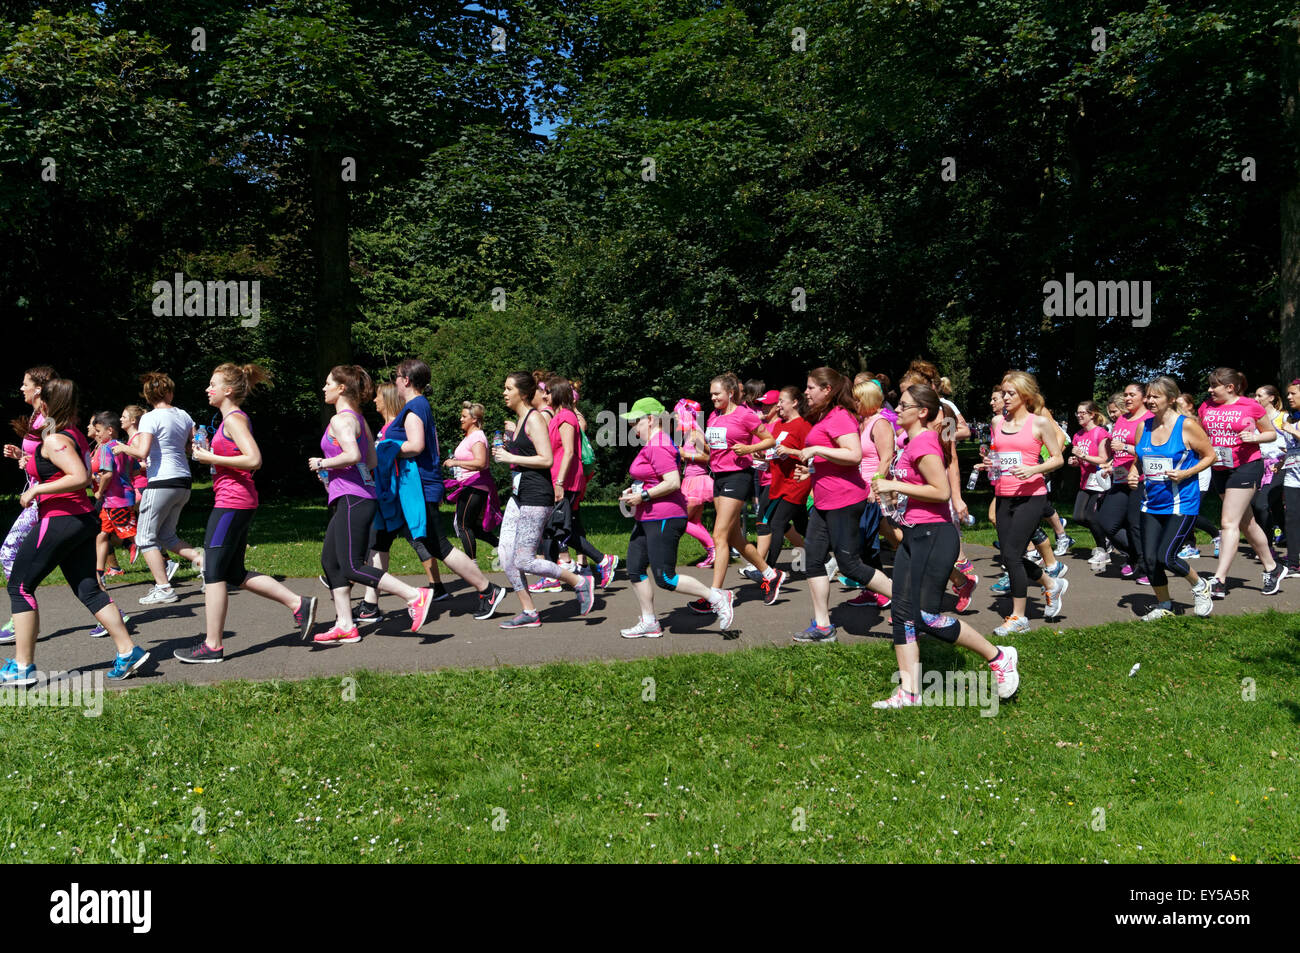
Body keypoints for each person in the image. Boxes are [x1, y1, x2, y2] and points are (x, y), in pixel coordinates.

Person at [869, 384, 1019, 707]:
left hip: (935, 537)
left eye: (904, 405)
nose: (897, 410)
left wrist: (892, 484)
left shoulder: (923, 442)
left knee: (924, 615)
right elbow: (917, 487)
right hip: (914, 535)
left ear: (922, 412)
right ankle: (908, 692)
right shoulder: (910, 442)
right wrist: (893, 492)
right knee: (902, 612)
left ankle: (998, 656)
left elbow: (940, 492)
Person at [2, 379, 149, 684]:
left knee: (19, 587)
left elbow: (80, 476)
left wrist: (36, 490)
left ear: (48, 402)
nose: (32, 399)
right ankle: (128, 651)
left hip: (60, 519)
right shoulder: (73, 434)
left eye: (39, 396)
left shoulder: (56, 439)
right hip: (81, 520)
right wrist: (27, 463)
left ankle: (22, 666)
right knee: (89, 589)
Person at [173, 364, 319, 662]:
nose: (207, 389)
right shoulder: (229, 419)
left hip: (232, 503)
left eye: (212, 384)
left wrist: (209, 456)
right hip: (236, 501)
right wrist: (204, 454)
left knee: (213, 571)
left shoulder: (235, 419)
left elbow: (254, 459)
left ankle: (212, 645)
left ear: (228, 390)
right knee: (233, 572)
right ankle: (298, 602)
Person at [375, 359, 503, 613]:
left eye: (396, 376)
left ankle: (488, 589)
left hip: (420, 485)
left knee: (438, 545)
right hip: (414, 485)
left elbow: (416, 445)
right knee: (387, 539)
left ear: (407, 380)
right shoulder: (417, 405)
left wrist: (385, 448)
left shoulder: (414, 406)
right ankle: (370, 603)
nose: (395, 381)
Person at [778, 367, 893, 642]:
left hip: (845, 501)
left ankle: (907, 601)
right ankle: (822, 625)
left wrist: (816, 450)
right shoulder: (823, 417)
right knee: (814, 561)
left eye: (810, 387)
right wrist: (812, 470)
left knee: (850, 565)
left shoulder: (840, 416)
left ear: (827, 389)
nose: (806, 392)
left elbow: (853, 455)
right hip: (823, 501)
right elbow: (835, 460)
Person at [616, 398, 737, 636]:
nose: (633, 428)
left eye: (636, 422)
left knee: (665, 578)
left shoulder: (658, 444)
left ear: (650, 420)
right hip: (647, 518)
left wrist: (645, 496)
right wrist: (637, 489)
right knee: (635, 569)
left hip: (664, 517)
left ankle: (718, 597)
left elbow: (673, 482)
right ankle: (650, 621)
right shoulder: (653, 443)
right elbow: (655, 477)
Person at [493, 371, 596, 627]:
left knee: (524, 559)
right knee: (506, 556)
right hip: (518, 495)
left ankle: (578, 581)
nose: (504, 393)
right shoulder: (518, 420)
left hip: (537, 496)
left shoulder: (535, 419)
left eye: (508, 388)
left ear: (523, 393)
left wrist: (510, 458)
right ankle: (529, 612)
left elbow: (547, 459)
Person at [986, 371, 1068, 635]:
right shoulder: (997, 421)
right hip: (1003, 494)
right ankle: (1050, 584)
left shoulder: (1039, 423)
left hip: (1031, 496)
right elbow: (999, 454)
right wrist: (990, 462)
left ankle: (1019, 617)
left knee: (1011, 555)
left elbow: (1058, 459)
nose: (1005, 397)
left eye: (1011, 393)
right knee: (1011, 557)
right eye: (1003, 393)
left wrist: (1033, 470)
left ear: (1025, 395)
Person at [111, 372, 202, 605]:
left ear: (147, 395)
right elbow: (195, 447)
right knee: (166, 535)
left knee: (144, 538)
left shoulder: (150, 418)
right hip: (184, 481)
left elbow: (142, 452)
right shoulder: (183, 414)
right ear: (170, 392)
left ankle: (164, 588)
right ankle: (207, 564)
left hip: (161, 481)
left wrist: (122, 447)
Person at [1129, 376, 1216, 619]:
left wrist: (1186, 472)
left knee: (1166, 556)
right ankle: (1164, 606)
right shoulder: (1143, 426)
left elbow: (1210, 456)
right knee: (1149, 559)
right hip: (1151, 503)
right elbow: (1139, 460)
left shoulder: (1186, 425)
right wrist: (1134, 474)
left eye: (1155, 396)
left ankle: (1200, 585)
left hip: (1182, 502)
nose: (1149, 400)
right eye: (1147, 395)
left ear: (1171, 399)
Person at [1198, 367, 1285, 597]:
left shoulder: (1251, 406)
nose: (1209, 390)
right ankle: (1273, 568)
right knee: (1246, 522)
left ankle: (1219, 580)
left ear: (1230, 387)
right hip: (1219, 467)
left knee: (1228, 523)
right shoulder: (1206, 406)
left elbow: (1271, 433)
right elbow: (1201, 433)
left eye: (1213, 385)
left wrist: (1255, 436)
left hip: (1246, 466)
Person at [701, 372, 785, 608]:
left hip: (738, 477)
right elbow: (714, 447)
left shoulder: (745, 415)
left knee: (719, 535)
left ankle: (715, 595)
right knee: (735, 537)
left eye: (717, 394)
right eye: (711, 395)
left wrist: (749, 448)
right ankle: (770, 574)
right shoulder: (713, 416)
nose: (713, 398)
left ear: (729, 393)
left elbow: (769, 440)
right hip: (718, 476)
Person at [0, 365, 59, 644]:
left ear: (38, 388)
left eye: (25, 384)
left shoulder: (48, 419)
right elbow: (41, 458)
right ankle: (114, 617)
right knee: (77, 570)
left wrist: (31, 463)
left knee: (9, 551)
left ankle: (20, 618)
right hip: (40, 494)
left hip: (44, 497)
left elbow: (58, 459)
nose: (21, 388)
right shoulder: (38, 416)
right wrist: (21, 456)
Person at [543, 377, 618, 587]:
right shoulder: (558, 416)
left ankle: (603, 560)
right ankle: (555, 574)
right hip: (559, 480)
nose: (544, 395)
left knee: (561, 530)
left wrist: (559, 482)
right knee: (559, 529)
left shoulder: (566, 417)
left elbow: (568, 452)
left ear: (556, 393)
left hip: (566, 481)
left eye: (548, 392)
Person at [1096, 381, 1155, 583]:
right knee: (1105, 522)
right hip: (1120, 477)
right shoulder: (1122, 419)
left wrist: (1127, 447)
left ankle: (1148, 568)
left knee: (1135, 524)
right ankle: (1138, 556)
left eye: (1132, 395)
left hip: (1141, 478)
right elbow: (1119, 452)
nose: (1128, 398)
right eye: (1126, 394)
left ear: (1144, 397)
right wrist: (1112, 466)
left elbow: (1151, 450)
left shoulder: (1150, 419)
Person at [754, 386, 811, 577]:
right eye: (777, 402)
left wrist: (792, 452)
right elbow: (775, 452)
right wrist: (761, 455)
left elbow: (813, 456)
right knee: (803, 527)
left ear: (794, 402)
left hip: (796, 481)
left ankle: (768, 570)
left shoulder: (803, 425)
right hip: (779, 482)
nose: (778, 406)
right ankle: (829, 559)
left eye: (781, 401)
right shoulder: (779, 425)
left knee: (777, 524)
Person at [848, 377, 894, 609]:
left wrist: (875, 486)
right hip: (858, 491)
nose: (854, 403)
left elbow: (886, 457)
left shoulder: (880, 423)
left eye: (857, 399)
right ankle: (874, 589)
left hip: (874, 491)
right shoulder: (861, 423)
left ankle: (884, 590)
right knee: (865, 541)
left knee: (871, 540)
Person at [443, 401, 502, 563]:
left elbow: (481, 463)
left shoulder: (477, 436)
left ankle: (472, 565)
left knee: (463, 526)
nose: (461, 419)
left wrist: (456, 463)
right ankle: (502, 548)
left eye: (464, 416)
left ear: (474, 419)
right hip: (470, 485)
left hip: (476, 485)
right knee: (473, 527)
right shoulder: (470, 437)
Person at [89, 411, 137, 592]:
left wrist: (99, 491)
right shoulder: (123, 447)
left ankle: (157, 556)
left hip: (116, 499)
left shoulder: (106, 448)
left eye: (99, 430)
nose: (97, 434)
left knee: (134, 534)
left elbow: (107, 474)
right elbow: (135, 470)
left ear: (109, 430)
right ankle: (99, 574)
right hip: (118, 498)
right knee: (101, 535)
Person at [1069, 400, 1113, 571]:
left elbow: (1104, 459)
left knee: (1091, 516)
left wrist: (1083, 456)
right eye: (1077, 413)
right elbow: (1079, 459)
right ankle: (1107, 536)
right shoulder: (1078, 435)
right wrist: (1074, 461)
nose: (1079, 416)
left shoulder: (1100, 433)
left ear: (1092, 414)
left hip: (1100, 480)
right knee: (1078, 517)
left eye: (1083, 413)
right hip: (1085, 481)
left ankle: (1102, 549)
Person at [674, 399, 717, 567]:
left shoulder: (695, 433)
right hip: (691, 480)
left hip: (697, 482)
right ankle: (712, 553)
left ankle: (713, 549)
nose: (676, 418)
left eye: (678, 415)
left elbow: (708, 457)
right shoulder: (689, 433)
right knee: (694, 522)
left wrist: (686, 455)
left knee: (680, 520)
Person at [1250, 384, 1287, 545]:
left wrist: (1284, 457)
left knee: (1261, 505)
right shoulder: (1256, 419)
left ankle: (1266, 545)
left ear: (1271, 398)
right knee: (1275, 506)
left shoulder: (1284, 418)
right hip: (1260, 465)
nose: (1256, 399)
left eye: (1259, 396)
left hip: (1280, 465)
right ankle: (1290, 536)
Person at [1278, 380, 1300, 576]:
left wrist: (1294, 432)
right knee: (1292, 518)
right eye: (1288, 394)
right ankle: (1294, 562)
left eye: (1293, 393)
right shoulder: (1292, 419)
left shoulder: (1292, 425)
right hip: (1293, 475)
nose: (1289, 397)